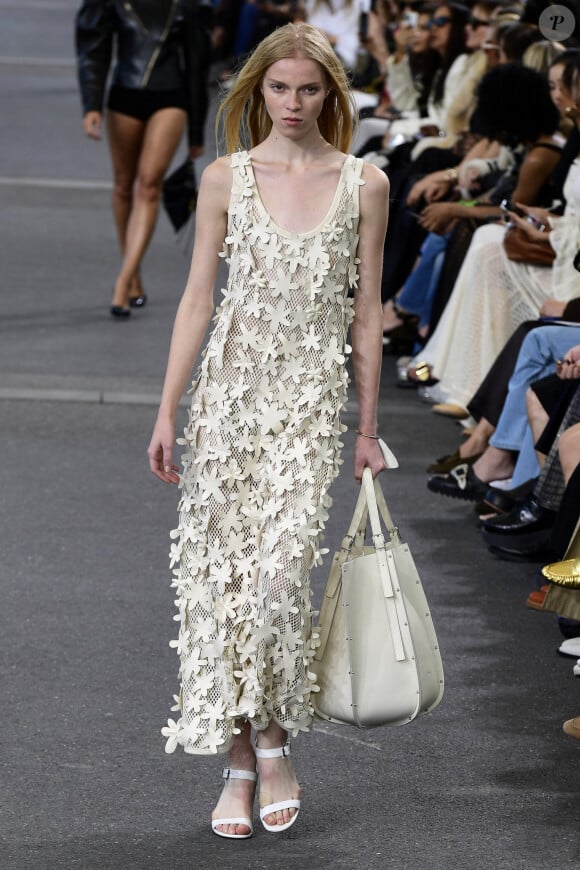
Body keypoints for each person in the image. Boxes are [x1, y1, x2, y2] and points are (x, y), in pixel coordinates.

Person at [147, 22, 389, 839]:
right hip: (226, 401)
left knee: (280, 581)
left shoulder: (367, 183)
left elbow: (366, 315)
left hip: (310, 407)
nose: (293, 103)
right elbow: (194, 300)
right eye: (279, 88)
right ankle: (243, 757)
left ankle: (274, 743)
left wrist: (368, 426)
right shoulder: (225, 177)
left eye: (309, 89)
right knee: (224, 586)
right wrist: (166, 409)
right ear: (257, 90)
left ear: (331, 95)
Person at [75, 0, 213, 317]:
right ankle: (133, 270)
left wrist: (195, 130)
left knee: (149, 184)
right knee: (124, 185)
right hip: (124, 96)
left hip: (171, 97)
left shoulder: (188, 5)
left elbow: (197, 61)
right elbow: (93, 49)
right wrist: (91, 104)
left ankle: (123, 280)